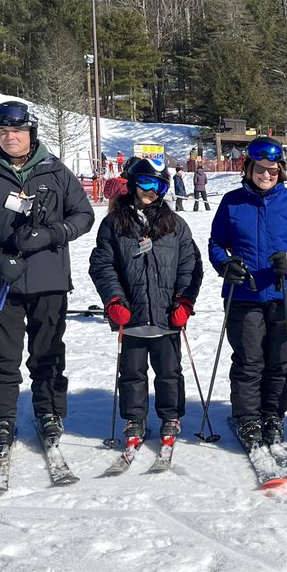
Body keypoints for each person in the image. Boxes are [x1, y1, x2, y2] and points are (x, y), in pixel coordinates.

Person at [0, 100, 95, 455]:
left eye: (16, 131)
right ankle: (1, 419)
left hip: (48, 279)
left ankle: (49, 412)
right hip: (0, 280)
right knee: (1, 355)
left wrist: (53, 234)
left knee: (48, 353)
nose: (9, 137)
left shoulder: (55, 171)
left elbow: (84, 215)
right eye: (2, 132)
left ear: (31, 132)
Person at [208, 136, 287, 458]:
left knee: (280, 361)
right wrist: (224, 264)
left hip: (286, 294)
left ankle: (273, 415)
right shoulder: (232, 201)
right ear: (249, 169)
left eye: (272, 170)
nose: (266, 175)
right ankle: (247, 418)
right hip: (245, 294)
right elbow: (216, 243)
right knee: (249, 361)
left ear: (281, 171)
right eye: (260, 170)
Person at [88, 156, 203, 447]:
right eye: (146, 183)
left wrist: (184, 302)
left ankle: (170, 416)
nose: (151, 191)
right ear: (133, 185)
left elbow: (190, 266)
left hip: (167, 315)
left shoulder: (174, 224)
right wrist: (114, 299)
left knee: (169, 372)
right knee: (132, 373)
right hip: (132, 314)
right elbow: (103, 265)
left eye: (159, 186)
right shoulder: (114, 224)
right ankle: (134, 418)